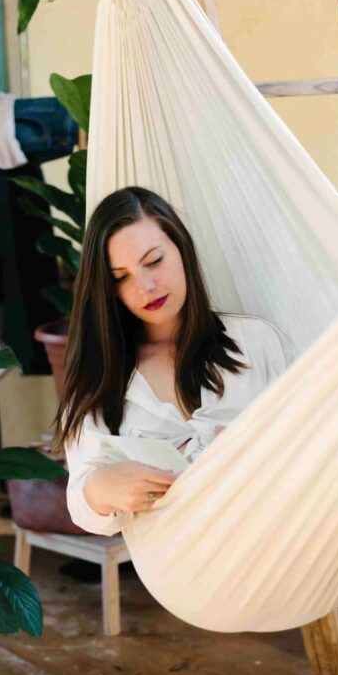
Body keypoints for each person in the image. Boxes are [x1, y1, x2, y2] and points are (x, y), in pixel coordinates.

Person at [52, 186, 294, 536]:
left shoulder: (256, 343)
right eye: (121, 278)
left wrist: (261, 450)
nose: (145, 286)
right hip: (185, 572)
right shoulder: (101, 379)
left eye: (154, 261)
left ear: (181, 250)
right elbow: (83, 508)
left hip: (280, 542)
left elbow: (312, 442)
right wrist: (101, 488)